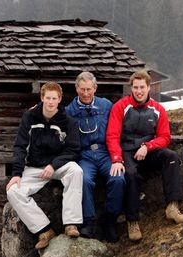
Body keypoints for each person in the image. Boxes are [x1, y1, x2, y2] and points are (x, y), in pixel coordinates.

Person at [106, 70, 183, 242]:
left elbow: (165, 137)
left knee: (171, 157)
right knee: (130, 175)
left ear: (149, 87)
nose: (139, 91)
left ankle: (172, 207)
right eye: (135, 87)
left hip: (148, 151)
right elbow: (112, 136)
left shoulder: (158, 109)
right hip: (126, 151)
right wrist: (116, 159)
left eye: (142, 87)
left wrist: (148, 146)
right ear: (131, 88)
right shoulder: (120, 107)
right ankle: (133, 221)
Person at [6, 81, 83, 250]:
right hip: (34, 168)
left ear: (59, 99)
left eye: (54, 98)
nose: (50, 102)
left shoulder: (68, 121)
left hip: (57, 166)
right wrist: (17, 174)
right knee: (13, 191)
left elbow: (73, 149)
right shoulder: (29, 117)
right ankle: (45, 230)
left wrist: (54, 165)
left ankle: (71, 224)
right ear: (42, 97)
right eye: (47, 98)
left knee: (76, 170)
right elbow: (19, 146)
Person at [66, 71, 126, 243]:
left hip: (105, 152)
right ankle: (89, 221)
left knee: (118, 178)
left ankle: (110, 220)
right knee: (83, 180)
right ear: (76, 88)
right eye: (82, 89)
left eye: (89, 89)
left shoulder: (106, 105)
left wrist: (117, 156)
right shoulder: (69, 111)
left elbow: (120, 120)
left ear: (95, 88)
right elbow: (52, 115)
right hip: (84, 155)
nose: (86, 93)